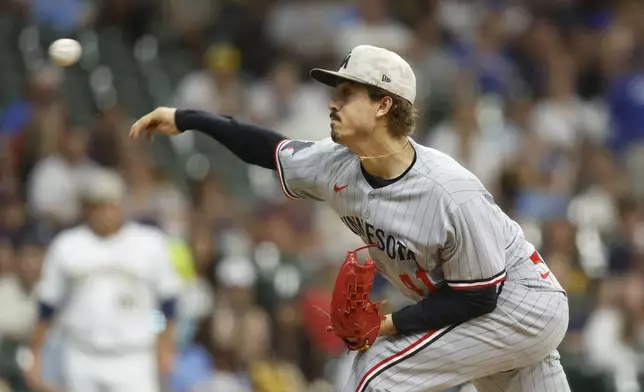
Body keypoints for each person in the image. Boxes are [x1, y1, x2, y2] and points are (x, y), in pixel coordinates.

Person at [130, 45, 570, 392]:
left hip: (517, 303)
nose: (332, 103)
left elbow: (479, 297)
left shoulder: (450, 192)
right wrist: (188, 119)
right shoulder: (336, 164)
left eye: (346, 93)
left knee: (375, 372)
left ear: (383, 105)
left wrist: (386, 326)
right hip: (486, 309)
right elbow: (268, 149)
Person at [26, 169, 182, 392]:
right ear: (86, 208)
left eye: (111, 204)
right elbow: (47, 306)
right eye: (97, 205)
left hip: (134, 355)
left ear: (122, 204)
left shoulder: (149, 243)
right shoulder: (68, 245)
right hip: (82, 353)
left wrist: (166, 347)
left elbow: (168, 302)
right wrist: (35, 354)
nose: (105, 212)